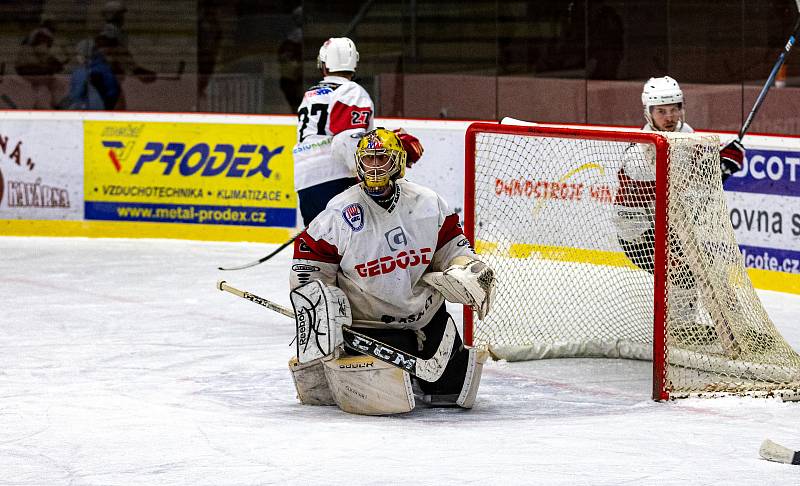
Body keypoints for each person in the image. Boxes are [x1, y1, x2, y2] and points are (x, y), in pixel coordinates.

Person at [287, 128, 495, 415]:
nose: (374, 166)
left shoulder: (428, 203)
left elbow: (454, 250)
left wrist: (465, 269)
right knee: (388, 402)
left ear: (397, 162)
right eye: (368, 159)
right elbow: (309, 266)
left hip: (427, 318)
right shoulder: (340, 212)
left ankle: (424, 362)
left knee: (455, 394)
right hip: (371, 327)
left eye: (381, 159)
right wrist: (318, 303)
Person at [614, 76, 745, 328]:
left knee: (704, 268)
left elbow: (700, 175)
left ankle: (690, 327)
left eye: (674, 109)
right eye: (661, 111)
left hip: (670, 226)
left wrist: (726, 160)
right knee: (683, 271)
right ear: (648, 113)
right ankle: (677, 331)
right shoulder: (639, 153)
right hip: (638, 233)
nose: (670, 116)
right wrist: (717, 170)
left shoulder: (686, 134)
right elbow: (681, 182)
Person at [292, 37, 423, 226]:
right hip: (336, 177)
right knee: (356, 242)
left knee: (322, 245)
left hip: (306, 179)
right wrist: (367, 176)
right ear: (354, 64)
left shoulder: (311, 94)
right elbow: (347, 138)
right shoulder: (350, 91)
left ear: (324, 65)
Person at [60, 39, 120, 110]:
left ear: (84, 55)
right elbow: (113, 92)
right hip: (104, 107)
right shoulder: (105, 68)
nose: (77, 57)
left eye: (78, 54)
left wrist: (63, 104)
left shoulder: (84, 72)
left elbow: (77, 94)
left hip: (90, 109)